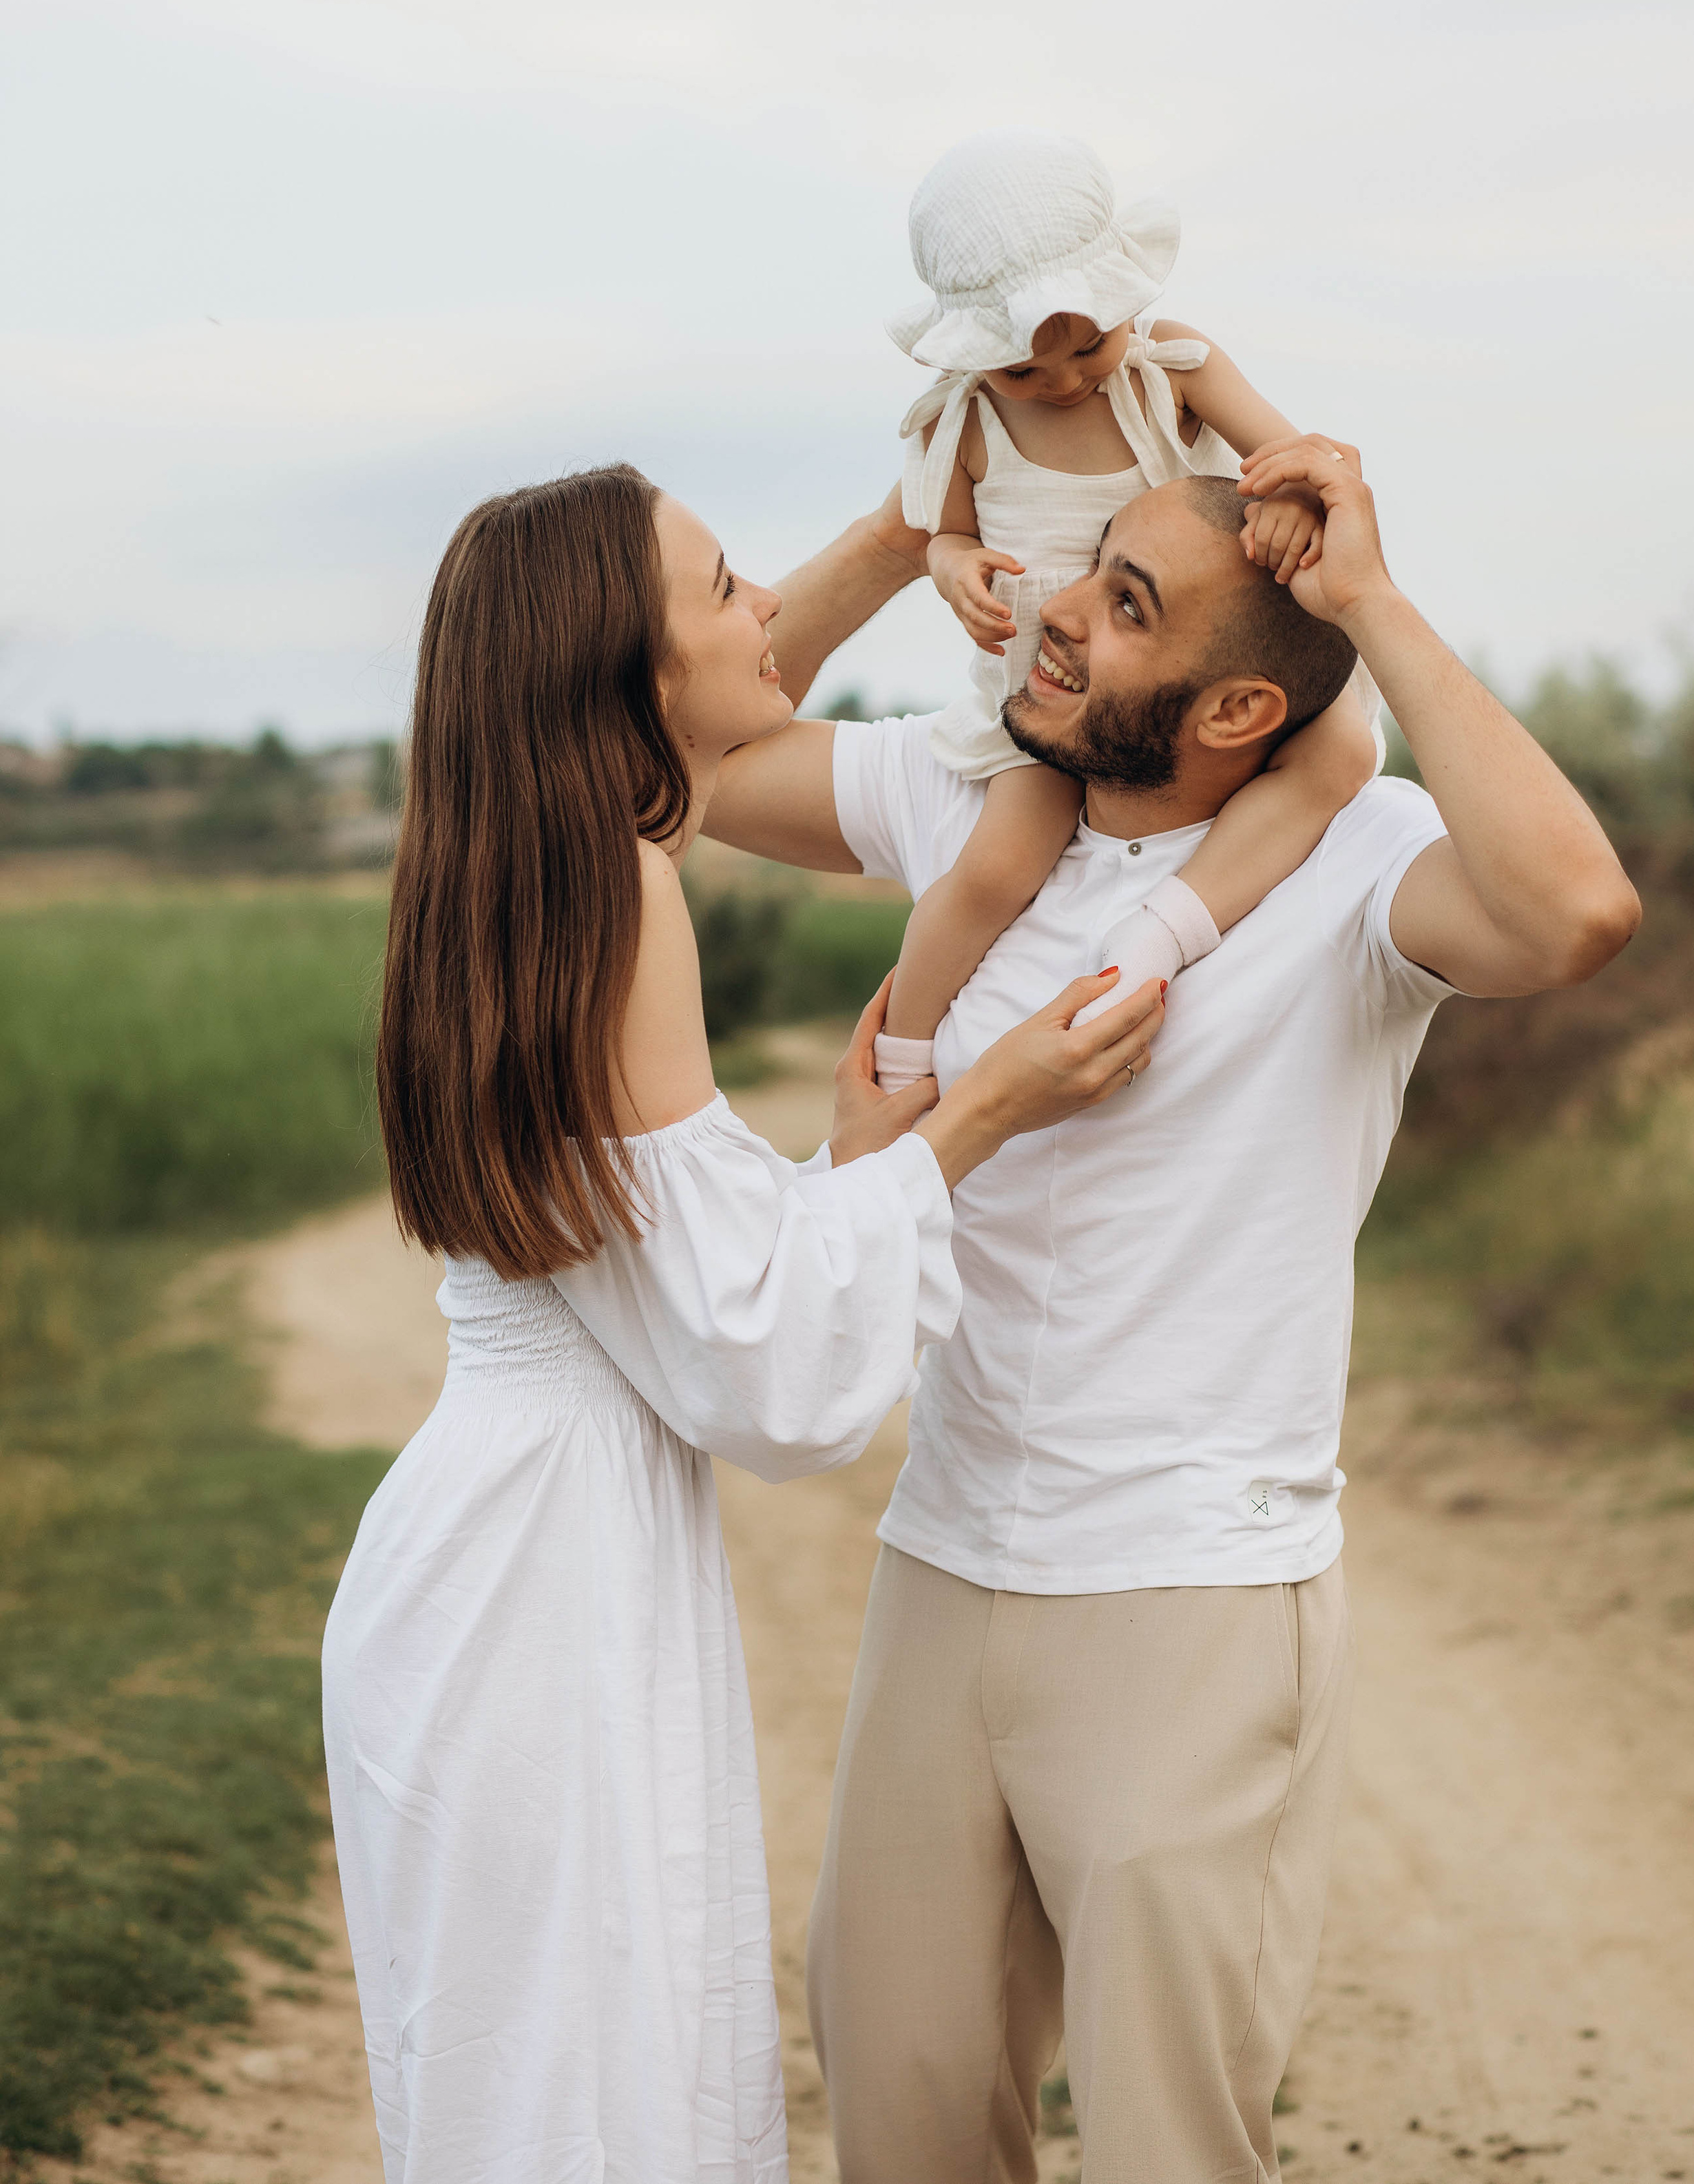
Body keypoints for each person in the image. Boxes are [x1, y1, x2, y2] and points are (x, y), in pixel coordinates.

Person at [703, 440, 1640, 2182]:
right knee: (900, 2106)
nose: (1059, 613)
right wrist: (905, 530)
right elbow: (686, 765)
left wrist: (1370, 602)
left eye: (1124, 604)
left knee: (1164, 2144)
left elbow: (1575, 909)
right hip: (942, 1562)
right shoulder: (966, 786)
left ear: (1231, 713)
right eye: (1088, 567)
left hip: (1187, 1594)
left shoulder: (1358, 861)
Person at [320, 464, 1167, 2184]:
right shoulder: (620, 899)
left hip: (495, 1545)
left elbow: (660, 1269)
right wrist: (974, 1120)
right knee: (582, 2092)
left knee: (544, 2082)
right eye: (720, 589)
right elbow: (759, 1374)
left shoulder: (519, 870)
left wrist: (895, 535)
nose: (762, 606)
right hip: (540, 1582)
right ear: (620, 669)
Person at [875, 127, 1381, 1090]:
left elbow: (1295, 458)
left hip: (1196, 662)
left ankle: (1164, 930)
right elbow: (941, 536)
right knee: (996, 869)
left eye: (1089, 345)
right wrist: (955, 567)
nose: (1066, 381)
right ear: (975, 355)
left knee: (1343, 751)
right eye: (1025, 369)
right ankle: (900, 1059)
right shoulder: (966, 421)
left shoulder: (1171, 371)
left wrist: (1286, 497)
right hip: (1051, 684)